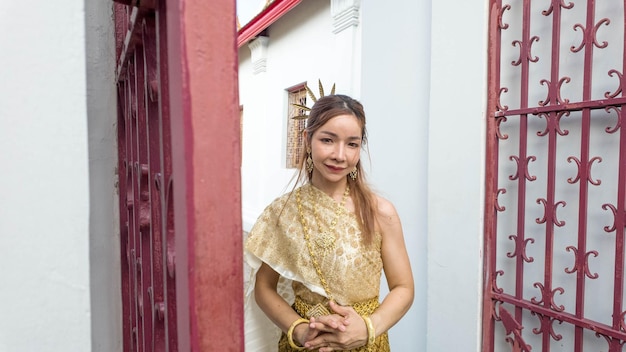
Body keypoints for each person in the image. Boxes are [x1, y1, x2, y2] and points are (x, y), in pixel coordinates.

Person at [244, 94, 414, 351]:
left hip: (367, 344)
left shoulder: (380, 212)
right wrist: (300, 330)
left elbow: (403, 287)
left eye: (352, 144)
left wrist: (368, 328)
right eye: (327, 140)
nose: (339, 155)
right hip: (305, 346)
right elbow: (264, 288)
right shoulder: (283, 212)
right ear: (307, 140)